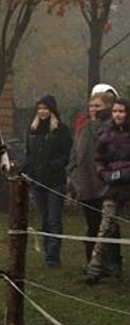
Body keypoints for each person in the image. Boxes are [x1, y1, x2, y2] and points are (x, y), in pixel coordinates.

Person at [68, 91, 115, 268]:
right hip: (85, 183)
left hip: (104, 184)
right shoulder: (83, 126)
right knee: (91, 225)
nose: (93, 109)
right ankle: (92, 264)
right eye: (91, 106)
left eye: (98, 106)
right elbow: (75, 151)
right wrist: (72, 173)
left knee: (108, 227)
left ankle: (110, 264)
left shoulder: (110, 126)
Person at [24, 95, 73, 267]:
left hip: (55, 182)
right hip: (37, 182)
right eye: (39, 108)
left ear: (52, 110)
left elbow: (67, 155)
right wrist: (27, 170)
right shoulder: (32, 130)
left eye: (45, 108)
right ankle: (47, 253)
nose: (42, 111)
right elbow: (29, 155)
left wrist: (53, 166)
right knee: (43, 219)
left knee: (54, 220)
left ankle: (53, 257)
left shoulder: (62, 130)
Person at [86, 99, 130, 284]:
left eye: (121, 111)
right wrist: (104, 174)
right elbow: (99, 159)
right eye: (115, 111)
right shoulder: (106, 135)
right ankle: (95, 269)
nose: (118, 114)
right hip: (112, 187)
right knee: (106, 227)